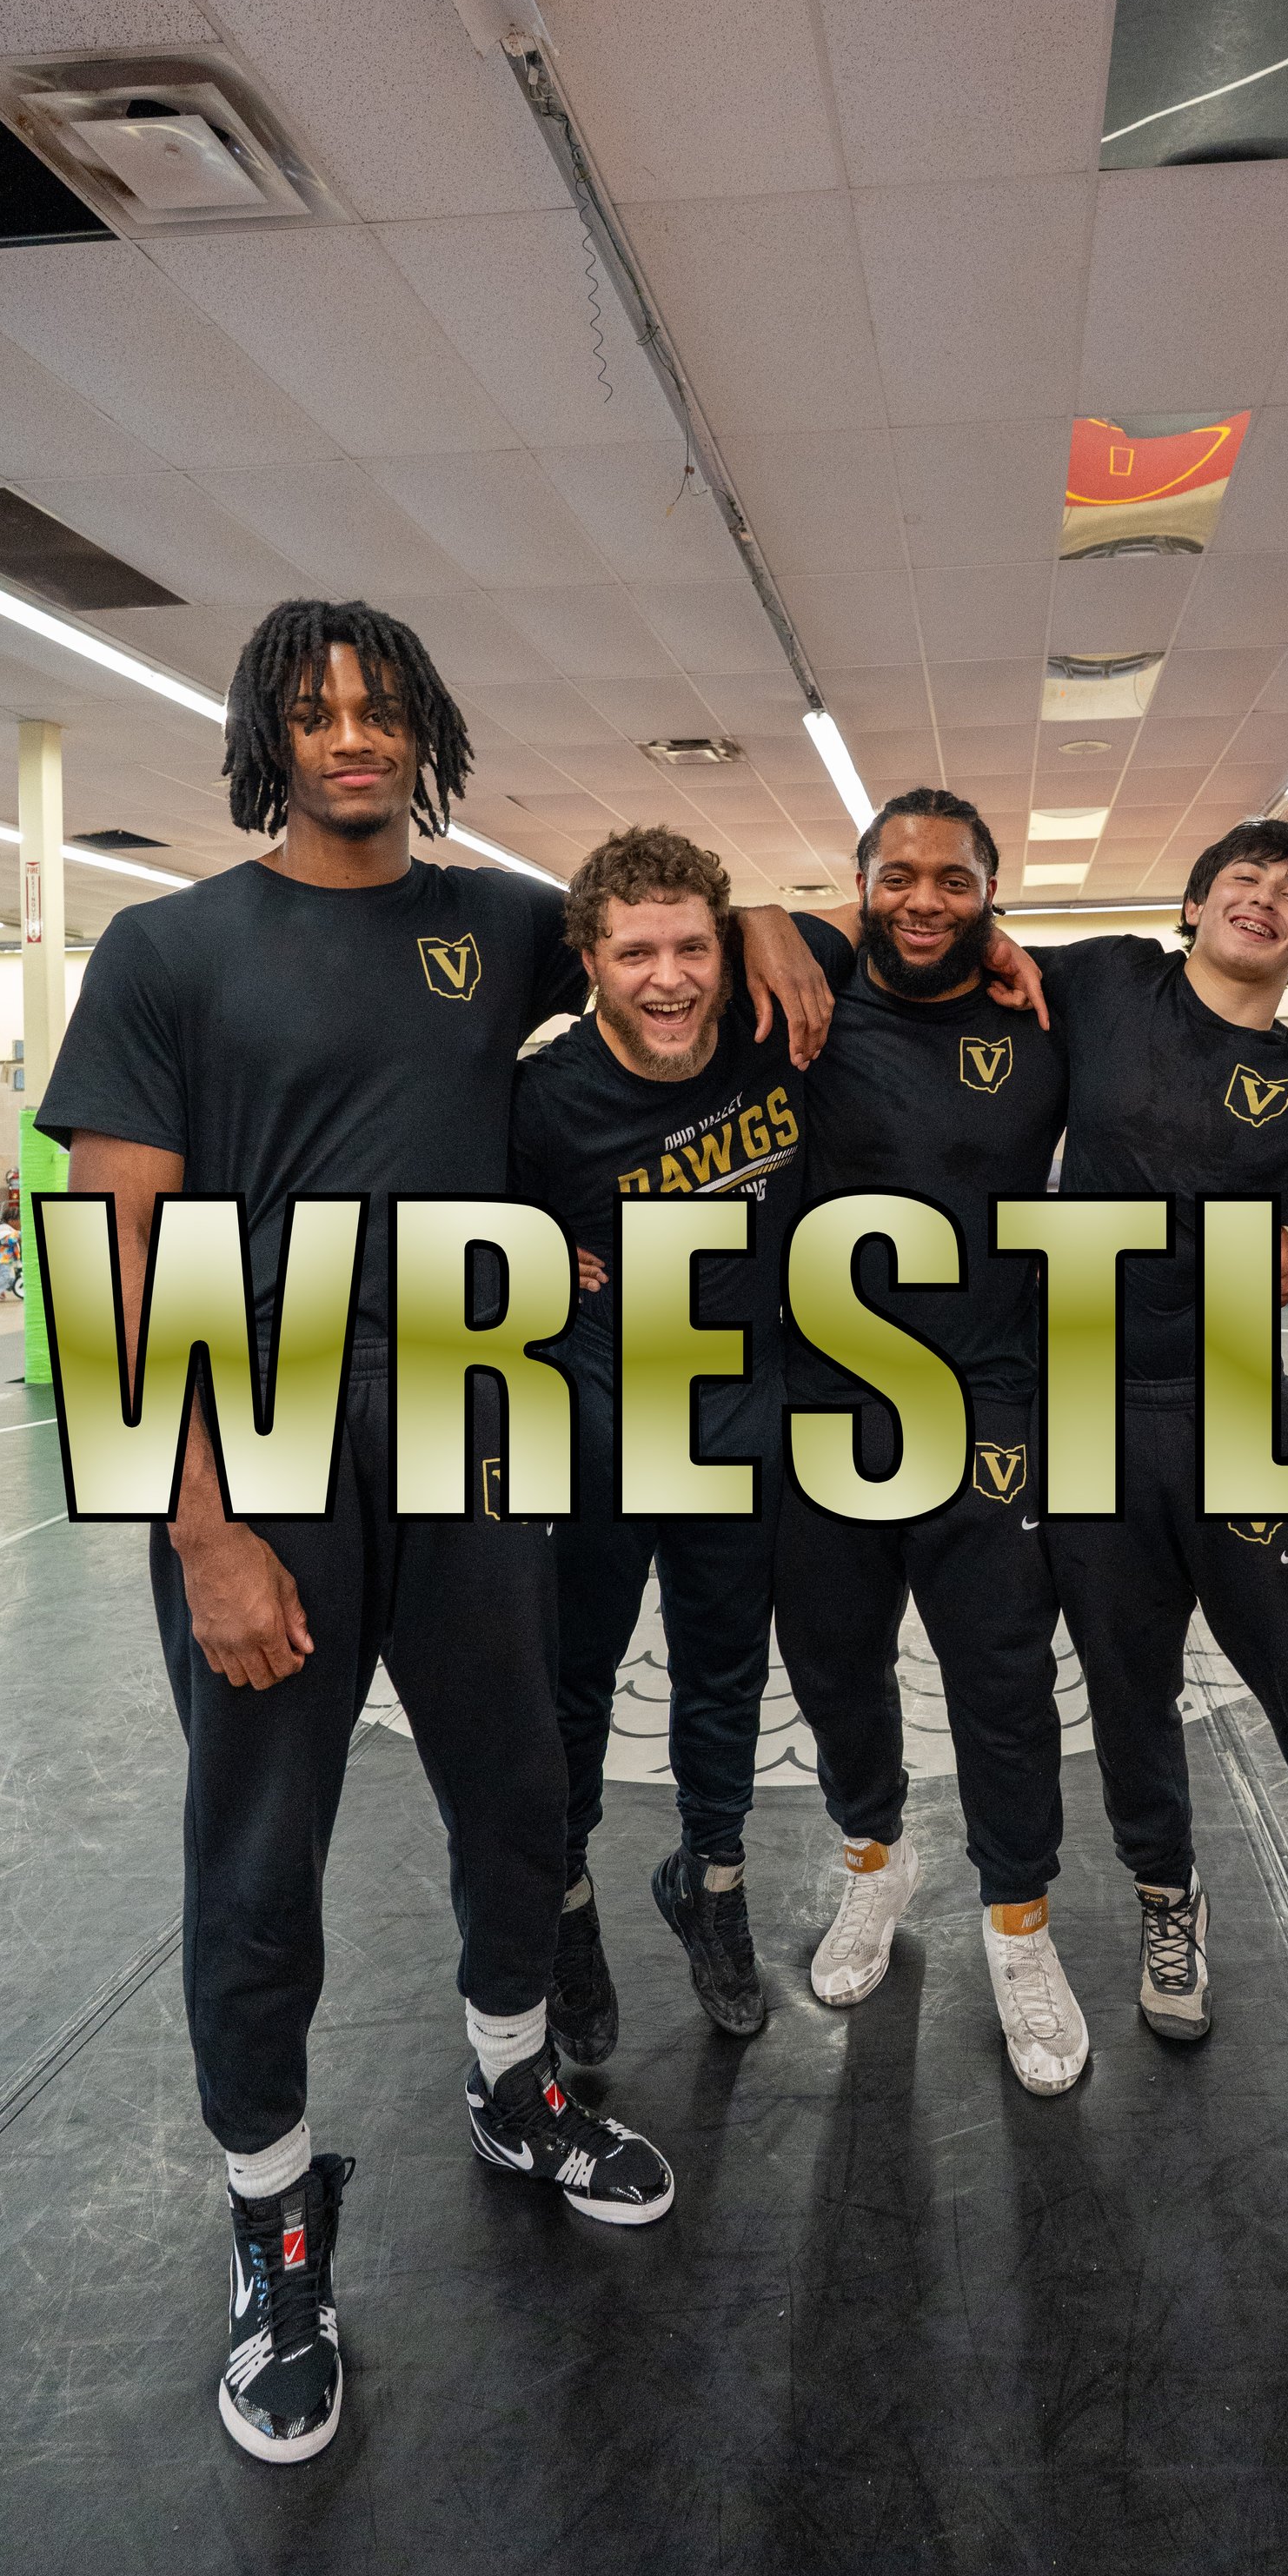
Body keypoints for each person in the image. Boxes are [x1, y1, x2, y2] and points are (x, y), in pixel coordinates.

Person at [37, 599, 832, 2463]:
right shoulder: (167, 950)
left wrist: (787, 913)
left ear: (425, 728)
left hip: (475, 1409)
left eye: (381, 708)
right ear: (265, 737)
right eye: (314, 714)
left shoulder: (492, 923)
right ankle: (273, 2224)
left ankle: (513, 2086)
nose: (353, 737)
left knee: (518, 1794)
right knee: (259, 1858)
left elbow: (671, 939)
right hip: (273, 1411)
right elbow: (111, 1262)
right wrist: (202, 1533)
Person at [1031, 820, 1288, 2055]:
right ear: (1195, 902)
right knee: (1127, 1691)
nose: (1265, 899)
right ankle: (1167, 1904)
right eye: (1243, 880)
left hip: (1240, 1393)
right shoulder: (1100, 981)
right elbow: (923, 968)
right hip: (1090, 1393)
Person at [508, 825, 852, 2047]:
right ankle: (568, 1897)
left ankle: (712, 1885)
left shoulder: (775, 1024)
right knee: (576, 1685)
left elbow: (911, 928)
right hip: (602, 1420)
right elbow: (469, 1243)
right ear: (589, 963)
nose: (670, 977)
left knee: (724, 1673)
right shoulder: (541, 1104)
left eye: (694, 944)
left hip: (739, 1413)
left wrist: (768, 909)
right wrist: (543, 1261)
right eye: (636, 950)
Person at [775, 787, 1087, 2094]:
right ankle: (874, 1865)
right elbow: (685, 945)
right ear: (857, 887)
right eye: (895, 876)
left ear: (992, 893)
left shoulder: (1048, 1017)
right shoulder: (795, 1008)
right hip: (821, 1409)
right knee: (837, 1671)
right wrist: (765, 923)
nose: (922, 900)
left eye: (953, 881)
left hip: (990, 1411)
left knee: (1004, 1688)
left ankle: (1019, 1932)